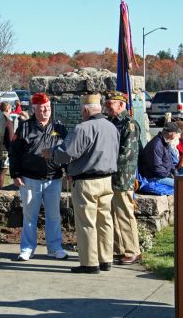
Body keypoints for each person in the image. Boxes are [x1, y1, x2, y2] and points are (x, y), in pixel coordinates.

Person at [41, 94, 120, 274]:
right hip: (107, 180)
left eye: (81, 110)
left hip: (87, 182)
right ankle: (106, 259)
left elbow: (68, 153)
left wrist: (50, 153)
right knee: (105, 221)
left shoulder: (82, 128)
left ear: (85, 109)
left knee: (86, 223)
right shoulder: (111, 127)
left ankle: (90, 263)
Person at [9, 92, 68, 261]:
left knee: (54, 216)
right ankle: (27, 248)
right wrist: (15, 173)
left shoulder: (59, 127)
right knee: (29, 216)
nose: (45, 111)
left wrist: (68, 170)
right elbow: (14, 153)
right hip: (29, 179)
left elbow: (67, 151)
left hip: (53, 179)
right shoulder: (24, 127)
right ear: (34, 109)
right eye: (41, 108)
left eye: (48, 108)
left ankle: (55, 248)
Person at [105, 90, 141, 265]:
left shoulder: (129, 124)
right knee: (113, 214)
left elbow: (126, 154)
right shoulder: (111, 122)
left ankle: (132, 250)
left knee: (125, 214)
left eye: (110, 104)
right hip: (110, 176)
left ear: (121, 105)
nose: (107, 107)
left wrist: (105, 165)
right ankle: (119, 249)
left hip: (122, 177)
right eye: (106, 103)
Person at [139, 121, 182, 187]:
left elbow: (169, 162)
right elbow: (157, 168)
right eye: (176, 133)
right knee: (180, 184)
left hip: (162, 175)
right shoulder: (156, 145)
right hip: (153, 177)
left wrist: (174, 172)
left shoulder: (164, 142)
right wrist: (169, 175)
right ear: (172, 134)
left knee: (180, 180)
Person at [0, 102, 14, 188]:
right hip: (5, 149)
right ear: (8, 109)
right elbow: (11, 138)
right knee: (3, 171)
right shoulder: (8, 121)